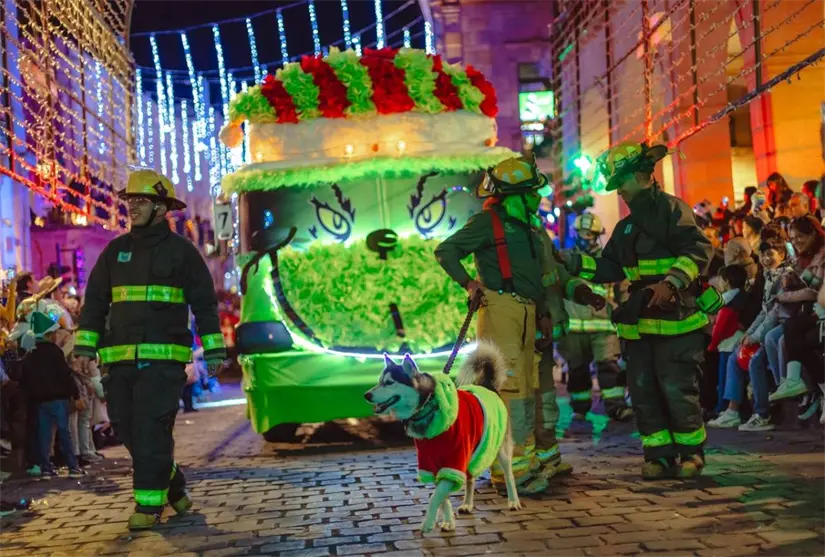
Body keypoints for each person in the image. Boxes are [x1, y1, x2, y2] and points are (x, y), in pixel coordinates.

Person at [435, 155, 602, 495]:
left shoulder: (527, 227)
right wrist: (469, 283)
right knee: (508, 392)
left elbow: (541, 275)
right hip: (500, 309)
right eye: (531, 192)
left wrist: (548, 307)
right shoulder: (487, 224)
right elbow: (446, 251)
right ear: (515, 194)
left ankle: (521, 465)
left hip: (525, 313)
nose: (537, 198)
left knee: (525, 392)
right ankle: (506, 471)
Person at [73, 168, 226, 531]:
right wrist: (83, 346)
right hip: (119, 363)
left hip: (163, 363)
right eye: (130, 201)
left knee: (152, 429)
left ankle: (148, 505)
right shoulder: (115, 252)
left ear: (161, 208)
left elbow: (205, 304)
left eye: (140, 201)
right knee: (126, 428)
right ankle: (172, 483)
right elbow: (94, 303)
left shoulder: (182, 253)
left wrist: (216, 351)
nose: (132, 208)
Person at [563, 142, 715, 479]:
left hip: (678, 323)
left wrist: (671, 283)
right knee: (644, 391)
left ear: (644, 176)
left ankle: (691, 454)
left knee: (678, 389)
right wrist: (572, 262)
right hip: (640, 326)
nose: (620, 191)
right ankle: (658, 455)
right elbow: (608, 267)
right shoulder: (626, 227)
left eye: (623, 182)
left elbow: (700, 248)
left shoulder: (673, 211)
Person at [712, 240, 795, 431]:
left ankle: (762, 413)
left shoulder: (786, 276)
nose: (766, 259)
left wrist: (755, 336)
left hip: (783, 325)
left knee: (756, 359)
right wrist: (750, 333)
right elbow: (764, 312)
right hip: (766, 328)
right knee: (735, 356)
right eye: (763, 254)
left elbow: (775, 312)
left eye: (771, 254)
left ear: (782, 255)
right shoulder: (767, 276)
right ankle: (732, 411)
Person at [559, 212, 631, 421]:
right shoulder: (565, 259)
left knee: (609, 366)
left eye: (590, 233)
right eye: (583, 233)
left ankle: (616, 406)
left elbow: (622, 288)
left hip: (604, 325)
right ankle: (580, 407)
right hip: (574, 328)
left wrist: (625, 311)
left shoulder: (608, 260)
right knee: (577, 369)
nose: (586, 237)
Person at [12, 300, 84, 478]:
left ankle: (46, 468)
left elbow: (26, 379)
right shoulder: (55, 352)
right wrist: (75, 395)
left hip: (40, 401)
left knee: (44, 436)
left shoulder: (30, 355)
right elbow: (64, 375)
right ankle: (73, 467)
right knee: (64, 433)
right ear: (49, 334)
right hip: (58, 399)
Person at [770, 215, 825, 402]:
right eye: (792, 239)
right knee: (790, 336)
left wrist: (783, 296)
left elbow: (815, 290)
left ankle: (797, 383)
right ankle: (798, 383)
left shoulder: (821, 255)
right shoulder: (806, 257)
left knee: (793, 330)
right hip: (815, 311)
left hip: (820, 312)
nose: (796, 242)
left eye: (800, 237)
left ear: (813, 235)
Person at [707, 265, 748, 416]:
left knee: (724, 377)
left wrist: (712, 345)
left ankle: (722, 408)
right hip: (736, 341)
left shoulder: (725, 301)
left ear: (727, 281)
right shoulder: (742, 296)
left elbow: (720, 327)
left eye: (721, 280)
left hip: (727, 344)